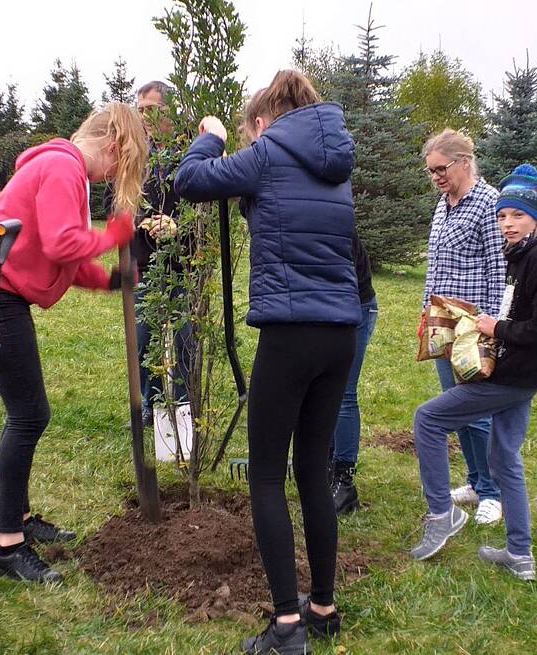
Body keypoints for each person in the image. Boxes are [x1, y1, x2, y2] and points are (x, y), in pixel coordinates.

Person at [175, 70, 359, 655]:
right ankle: (323, 607)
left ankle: (286, 627)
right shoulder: (336, 165)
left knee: (264, 478)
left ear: (262, 122)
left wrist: (209, 135)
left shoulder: (268, 152)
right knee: (312, 469)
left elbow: (189, 181)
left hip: (288, 337)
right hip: (340, 336)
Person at [0, 103, 147, 584]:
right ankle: (6, 546)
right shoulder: (63, 167)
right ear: (115, 145)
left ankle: (18, 520)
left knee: (27, 412)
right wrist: (113, 236)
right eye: (123, 164)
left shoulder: (67, 171)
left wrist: (105, 281)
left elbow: (58, 253)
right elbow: (64, 243)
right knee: (29, 414)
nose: (115, 176)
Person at [409, 164, 537, 582]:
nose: (507, 223)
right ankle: (520, 554)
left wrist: (494, 328)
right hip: (521, 373)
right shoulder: (522, 255)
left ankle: (442, 515)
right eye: (502, 216)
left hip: (515, 377)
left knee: (427, 420)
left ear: (534, 216)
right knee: (504, 458)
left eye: (517, 215)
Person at [421, 129, 506, 525]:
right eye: (431, 172)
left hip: (474, 326)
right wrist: (426, 312)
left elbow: (497, 267)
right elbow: (435, 265)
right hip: (443, 324)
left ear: (464, 162)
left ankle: (494, 491)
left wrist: (489, 325)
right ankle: (474, 481)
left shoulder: (488, 203)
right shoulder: (443, 205)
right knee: (454, 408)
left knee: (477, 411)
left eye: (441, 169)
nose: (436, 177)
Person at [123, 80, 195, 426]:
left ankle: (181, 412)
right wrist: (143, 221)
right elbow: (115, 204)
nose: (144, 119)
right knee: (142, 339)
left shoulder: (189, 156)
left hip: (183, 264)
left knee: (184, 341)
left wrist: (176, 226)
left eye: (151, 111)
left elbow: (205, 210)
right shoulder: (134, 156)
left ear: (171, 112)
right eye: (139, 111)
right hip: (144, 264)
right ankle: (147, 407)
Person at [329, 232, 377, 515]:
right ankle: (328, 469)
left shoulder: (333, 215)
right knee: (326, 392)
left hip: (355, 306)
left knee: (343, 393)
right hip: (328, 308)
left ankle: (345, 483)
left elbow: (344, 275)